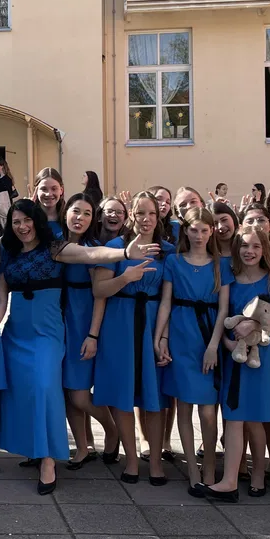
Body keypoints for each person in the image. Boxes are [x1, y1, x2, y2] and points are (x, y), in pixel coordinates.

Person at [0, 199, 160, 494]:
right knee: (25, 391)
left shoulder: (54, 248)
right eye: (16, 221)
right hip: (16, 333)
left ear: (37, 221)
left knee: (47, 388)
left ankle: (49, 460)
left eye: (27, 220)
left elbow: (89, 253)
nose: (22, 226)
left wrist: (124, 252)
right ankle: (35, 448)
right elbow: (0, 298)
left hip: (47, 331)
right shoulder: (7, 252)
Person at [200, 224, 270, 504]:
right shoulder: (230, 277)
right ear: (236, 249)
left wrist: (254, 323)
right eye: (244, 246)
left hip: (263, 357)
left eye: (255, 246)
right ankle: (228, 481)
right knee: (232, 416)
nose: (249, 251)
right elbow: (223, 314)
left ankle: (258, 475)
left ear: (264, 249)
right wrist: (219, 344)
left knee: (254, 420)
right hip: (235, 354)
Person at [92, 192, 172, 484]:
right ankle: (131, 459)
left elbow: (170, 298)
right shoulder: (115, 248)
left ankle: (155, 462)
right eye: (140, 213)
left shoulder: (168, 251)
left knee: (154, 396)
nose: (146, 219)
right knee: (123, 395)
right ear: (131, 217)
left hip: (152, 322)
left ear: (159, 216)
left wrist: (162, 336)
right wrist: (126, 277)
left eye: (151, 213)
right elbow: (99, 291)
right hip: (119, 323)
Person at [156, 207, 227, 495]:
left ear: (212, 232)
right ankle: (192, 469)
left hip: (208, 335)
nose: (199, 235)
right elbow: (166, 302)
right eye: (194, 229)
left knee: (208, 410)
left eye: (204, 230)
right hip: (181, 336)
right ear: (185, 230)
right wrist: (160, 337)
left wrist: (213, 346)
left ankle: (209, 465)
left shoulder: (220, 264)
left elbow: (224, 309)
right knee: (184, 406)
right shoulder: (174, 261)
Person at [54, 194, 117, 468]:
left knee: (80, 394)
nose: (80, 218)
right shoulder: (55, 243)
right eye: (75, 211)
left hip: (81, 324)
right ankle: (81, 447)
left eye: (87, 213)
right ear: (66, 212)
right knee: (67, 392)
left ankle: (112, 429)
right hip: (57, 323)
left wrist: (93, 335)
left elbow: (100, 296)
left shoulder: (94, 249)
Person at [32, 167, 66, 238]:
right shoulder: (29, 217)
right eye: (44, 189)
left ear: (61, 190)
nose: (49, 194)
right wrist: (26, 210)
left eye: (54, 189)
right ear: (36, 191)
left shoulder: (68, 218)